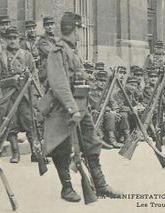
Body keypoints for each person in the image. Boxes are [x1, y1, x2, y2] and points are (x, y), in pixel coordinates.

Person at [42, 12, 121, 202]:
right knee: (62, 147)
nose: (81, 33)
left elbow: (76, 77)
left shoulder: (71, 50)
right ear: (74, 28)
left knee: (91, 142)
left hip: (80, 106)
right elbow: (59, 83)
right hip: (63, 108)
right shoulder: (57, 51)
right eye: (80, 29)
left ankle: (100, 184)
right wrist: (72, 108)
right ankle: (66, 188)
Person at [0, 26, 38, 163]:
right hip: (8, 96)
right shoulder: (0, 58)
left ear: (19, 40)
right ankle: (15, 153)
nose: (12, 41)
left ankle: (36, 152)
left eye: (14, 38)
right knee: (11, 125)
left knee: (31, 123)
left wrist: (34, 97)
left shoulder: (27, 56)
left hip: (26, 95)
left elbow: (35, 78)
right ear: (5, 40)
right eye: (9, 38)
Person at [88, 70, 122, 149]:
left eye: (104, 81)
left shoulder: (107, 91)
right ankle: (102, 139)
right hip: (95, 111)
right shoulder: (91, 92)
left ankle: (112, 139)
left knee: (113, 115)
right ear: (96, 81)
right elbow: (96, 104)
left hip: (105, 112)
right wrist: (110, 110)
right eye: (100, 80)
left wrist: (116, 110)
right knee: (108, 115)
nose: (103, 83)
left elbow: (112, 101)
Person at [35, 16, 59, 83]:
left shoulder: (56, 39)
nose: (50, 27)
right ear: (44, 27)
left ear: (54, 26)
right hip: (46, 70)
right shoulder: (42, 40)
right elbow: (51, 52)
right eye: (47, 25)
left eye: (51, 24)